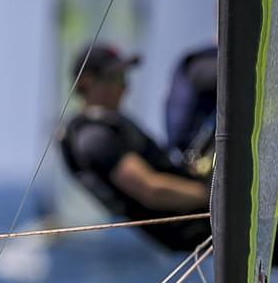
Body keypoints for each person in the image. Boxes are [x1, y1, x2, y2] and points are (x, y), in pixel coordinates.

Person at [57, 42, 216, 258]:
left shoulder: (110, 124)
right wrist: (217, 197)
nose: (125, 87)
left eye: (125, 78)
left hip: (201, 210)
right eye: (116, 78)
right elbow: (152, 190)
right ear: (88, 82)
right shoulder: (94, 139)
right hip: (193, 226)